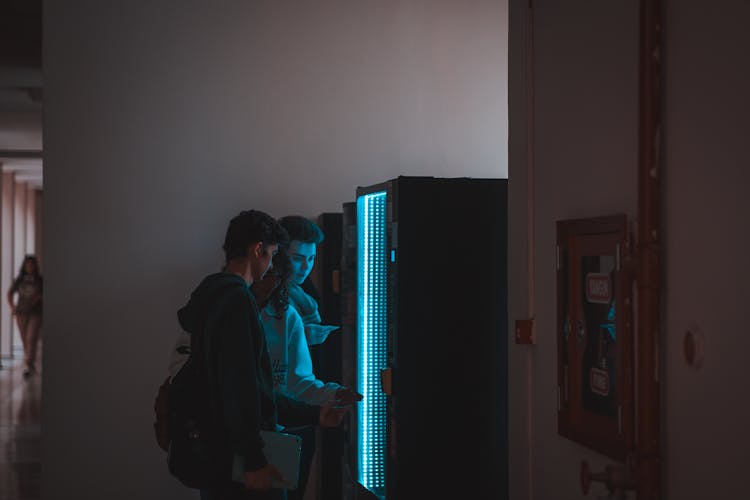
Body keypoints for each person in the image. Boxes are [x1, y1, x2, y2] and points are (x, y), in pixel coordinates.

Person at [177, 209, 348, 500]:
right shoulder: (237, 301)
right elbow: (242, 388)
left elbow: (254, 390)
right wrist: (254, 461)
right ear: (258, 250)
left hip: (216, 454)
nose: (272, 271)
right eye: (271, 255)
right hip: (243, 462)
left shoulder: (211, 297)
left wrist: (315, 413)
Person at [252, 248, 362, 500]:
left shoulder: (286, 316)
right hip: (228, 444)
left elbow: (299, 383)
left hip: (272, 441)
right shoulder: (228, 312)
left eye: (276, 275)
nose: (270, 282)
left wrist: (334, 394)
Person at [277, 216, 336, 346]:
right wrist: (301, 335)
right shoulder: (265, 292)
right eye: (298, 258)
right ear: (279, 254)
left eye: (311, 259)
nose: (306, 267)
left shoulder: (307, 290)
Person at [7, 255, 43, 378]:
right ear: (24, 266)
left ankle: (28, 364)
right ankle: (30, 364)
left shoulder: (40, 280)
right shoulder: (20, 279)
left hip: (36, 313)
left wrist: (39, 297)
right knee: (24, 339)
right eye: (27, 264)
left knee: (31, 337)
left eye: (32, 264)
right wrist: (12, 307)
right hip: (21, 313)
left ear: (35, 266)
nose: (29, 267)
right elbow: (9, 293)